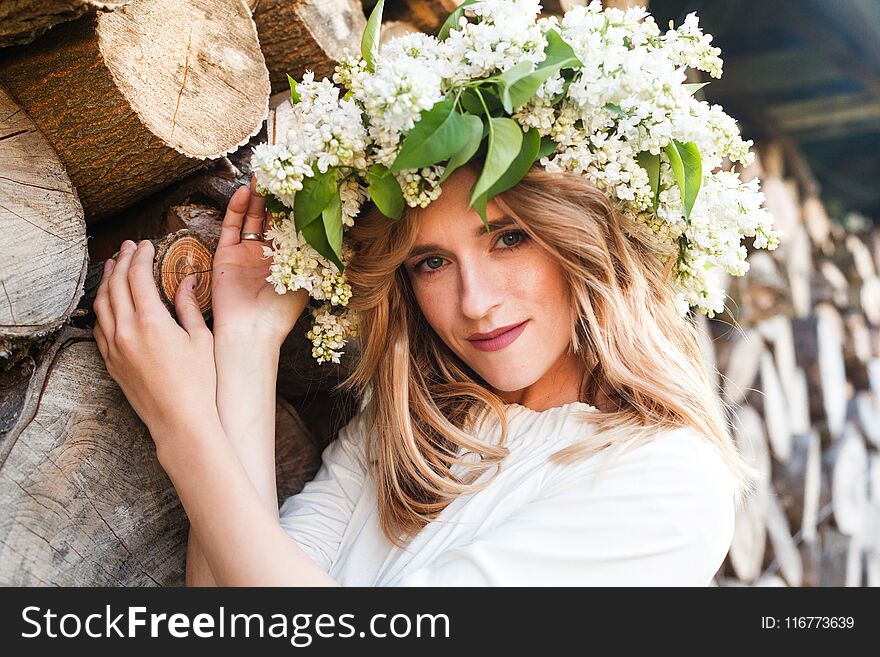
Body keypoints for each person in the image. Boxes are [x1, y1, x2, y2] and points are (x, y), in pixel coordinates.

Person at [92, 160, 760, 587]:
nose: (476, 301)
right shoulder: (412, 432)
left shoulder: (667, 483)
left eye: (508, 237)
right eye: (431, 262)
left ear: (582, 241)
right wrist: (248, 341)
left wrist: (180, 422)